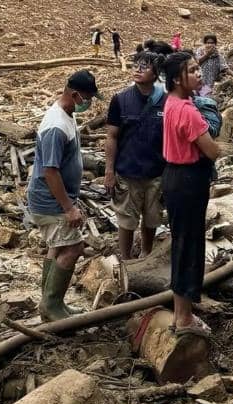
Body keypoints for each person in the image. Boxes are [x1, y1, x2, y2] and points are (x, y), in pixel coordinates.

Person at [27, 70, 101, 321]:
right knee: (73, 247)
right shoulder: (56, 126)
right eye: (87, 97)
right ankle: (51, 304)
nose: (88, 103)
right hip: (50, 201)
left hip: (52, 199)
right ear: (74, 93)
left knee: (57, 246)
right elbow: (50, 171)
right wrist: (68, 208)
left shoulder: (65, 115)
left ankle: (50, 303)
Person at [162, 51, 221, 335]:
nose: (199, 73)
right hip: (188, 180)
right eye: (193, 70)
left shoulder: (173, 102)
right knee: (189, 246)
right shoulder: (187, 111)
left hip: (175, 177)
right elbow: (212, 149)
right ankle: (184, 319)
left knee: (182, 244)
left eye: (199, 68)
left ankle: (180, 313)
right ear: (177, 78)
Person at [105, 51, 167, 259]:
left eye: (145, 66)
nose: (138, 69)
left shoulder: (166, 102)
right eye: (136, 65)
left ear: (156, 73)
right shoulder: (120, 100)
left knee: (151, 218)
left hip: (156, 172)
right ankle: (125, 259)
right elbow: (112, 136)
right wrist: (109, 171)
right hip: (127, 171)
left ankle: (146, 254)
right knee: (126, 219)